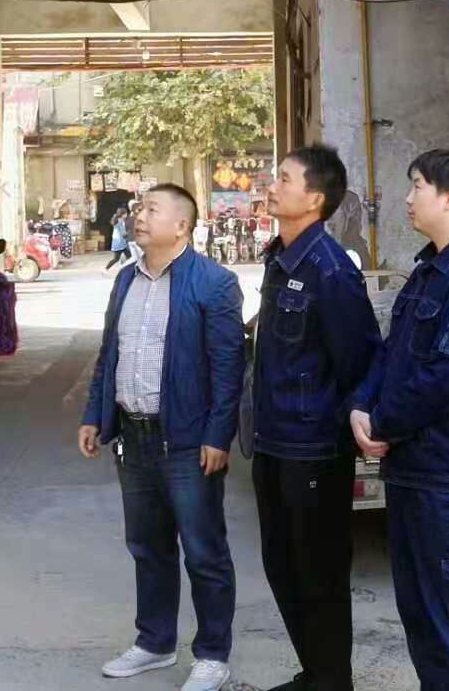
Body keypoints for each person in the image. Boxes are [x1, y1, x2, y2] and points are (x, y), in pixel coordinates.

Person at [349, 150, 449, 691]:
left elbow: (448, 377)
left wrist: (382, 423)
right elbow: (391, 351)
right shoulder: (429, 271)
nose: (407, 197)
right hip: (413, 472)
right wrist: (362, 407)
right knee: (425, 623)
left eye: (417, 185)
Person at [78, 185, 245, 691]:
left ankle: (212, 654)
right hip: (134, 437)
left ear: (182, 225)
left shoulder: (213, 282)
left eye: (152, 209)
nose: (139, 216)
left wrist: (218, 434)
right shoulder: (125, 279)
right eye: (139, 208)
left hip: (188, 442)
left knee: (204, 552)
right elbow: (109, 354)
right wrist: (94, 414)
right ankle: (155, 642)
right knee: (148, 547)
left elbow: (228, 367)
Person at [248, 145, 383, 691]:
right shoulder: (278, 259)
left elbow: (361, 360)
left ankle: (331, 681)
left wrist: (346, 426)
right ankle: (317, 674)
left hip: (313, 449)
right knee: (282, 566)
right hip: (272, 441)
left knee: (318, 572)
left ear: (314, 199)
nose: (272, 185)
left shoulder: (330, 270)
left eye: (284, 178)